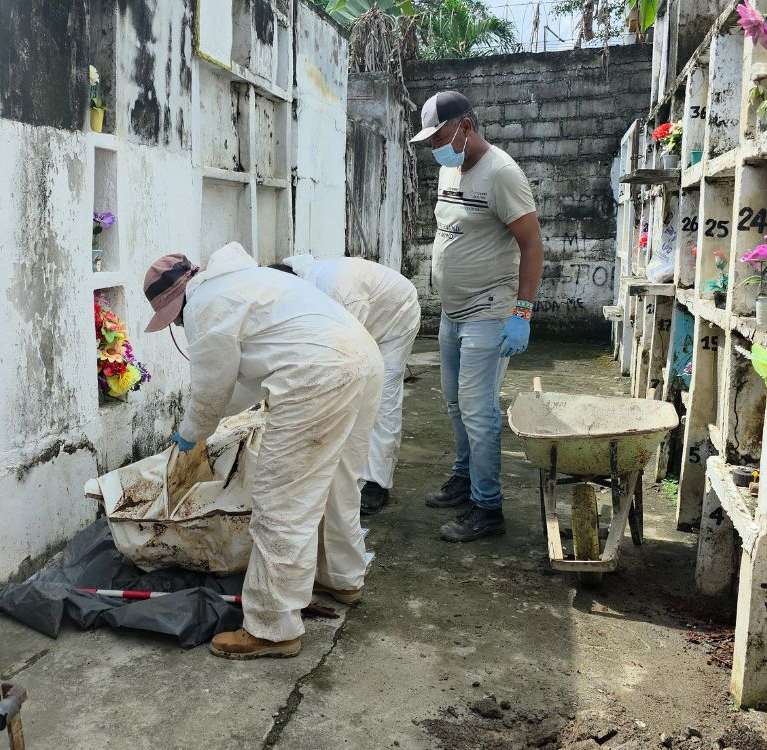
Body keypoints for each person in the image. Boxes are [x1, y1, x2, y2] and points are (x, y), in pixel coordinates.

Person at [141, 243, 382, 660]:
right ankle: (341, 577)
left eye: (173, 318)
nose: (178, 325)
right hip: (362, 358)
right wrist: (202, 427)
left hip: (318, 376)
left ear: (177, 301)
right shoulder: (246, 282)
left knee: (281, 499)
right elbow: (244, 380)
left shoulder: (205, 307)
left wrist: (190, 434)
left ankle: (272, 627)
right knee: (338, 481)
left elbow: (211, 393)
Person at [409, 90, 544, 543]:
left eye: (439, 136)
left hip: (489, 309)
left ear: (465, 126)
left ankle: (488, 509)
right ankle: (464, 478)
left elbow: (532, 245)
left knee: (478, 410)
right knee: (454, 403)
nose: (434, 148)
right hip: (453, 312)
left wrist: (521, 312)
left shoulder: (502, 174)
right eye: (428, 140)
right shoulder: (451, 167)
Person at [271, 255, 421, 515]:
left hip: (395, 317)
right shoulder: (295, 289)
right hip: (364, 311)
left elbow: (346, 354)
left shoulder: (339, 294)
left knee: (379, 399)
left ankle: (376, 483)